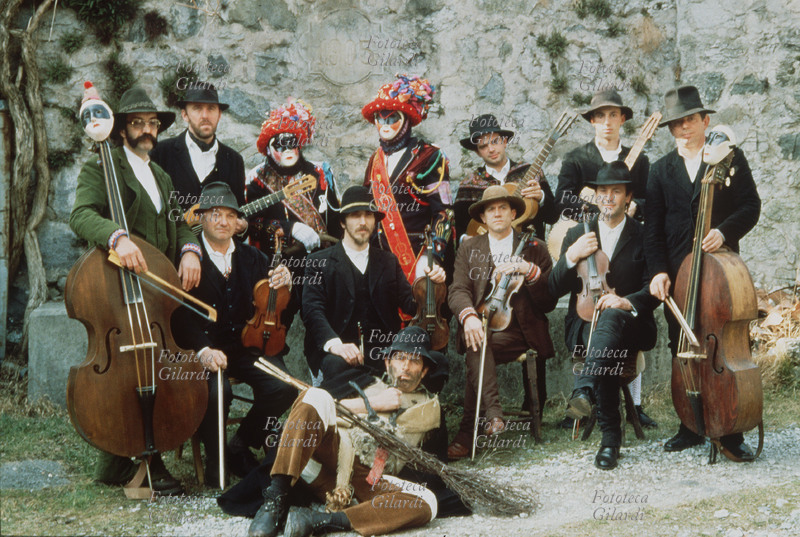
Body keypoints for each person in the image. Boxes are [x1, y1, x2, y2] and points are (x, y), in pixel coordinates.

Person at [69, 84, 202, 494]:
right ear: (121, 129)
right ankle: (147, 455)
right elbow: (81, 215)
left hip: (158, 288)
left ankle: (117, 458)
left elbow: (178, 221)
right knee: (131, 363)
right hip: (120, 285)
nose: (146, 130)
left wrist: (191, 249)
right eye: (137, 123)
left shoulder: (159, 172)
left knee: (153, 360)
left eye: (152, 123)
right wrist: (116, 238)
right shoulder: (101, 168)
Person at [645, 85, 760, 460]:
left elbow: (750, 206)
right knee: (683, 345)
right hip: (679, 277)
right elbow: (653, 229)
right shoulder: (660, 170)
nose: (683, 129)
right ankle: (691, 424)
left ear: (704, 121)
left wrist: (724, 231)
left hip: (719, 275)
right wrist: (658, 271)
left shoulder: (729, 157)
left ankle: (731, 427)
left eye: (690, 120)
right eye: (676, 124)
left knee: (725, 344)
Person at [247, 327, 449, 537]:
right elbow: (325, 409)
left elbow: (432, 471)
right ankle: (274, 503)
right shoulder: (367, 382)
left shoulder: (430, 411)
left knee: (428, 501)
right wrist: (374, 403)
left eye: (415, 361)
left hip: (372, 479)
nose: (406, 366)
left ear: (424, 370)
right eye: (400, 358)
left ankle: (321, 520)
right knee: (315, 395)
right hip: (334, 454)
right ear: (388, 362)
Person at [172, 182, 297, 485]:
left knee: (285, 387)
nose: (224, 222)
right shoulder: (189, 258)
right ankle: (217, 459)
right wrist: (203, 350)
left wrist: (286, 282)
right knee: (218, 391)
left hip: (245, 346)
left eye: (230, 215)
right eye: (215, 214)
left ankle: (240, 443)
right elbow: (179, 316)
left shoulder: (253, 258)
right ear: (201, 217)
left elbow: (274, 305)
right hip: (202, 348)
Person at [554, 89, 655, 429]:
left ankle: (605, 399)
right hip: (591, 250)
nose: (607, 121)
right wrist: (575, 246)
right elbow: (561, 200)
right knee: (589, 314)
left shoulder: (639, 160)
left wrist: (636, 205)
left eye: (613, 115)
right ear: (593, 120)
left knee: (620, 310)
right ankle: (592, 399)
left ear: (623, 119)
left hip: (628, 249)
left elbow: (650, 198)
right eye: (600, 115)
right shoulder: (576, 158)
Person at [548, 162, 659, 469]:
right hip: (584, 325)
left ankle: (584, 387)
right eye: (602, 191)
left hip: (633, 323)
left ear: (628, 197)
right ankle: (611, 438)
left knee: (610, 317)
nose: (608, 197)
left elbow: (656, 287)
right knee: (604, 345)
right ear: (595, 196)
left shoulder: (645, 234)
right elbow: (551, 290)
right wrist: (571, 257)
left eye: (616, 191)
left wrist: (626, 301)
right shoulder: (576, 234)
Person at [446, 186, 556, 460]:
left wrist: (530, 271)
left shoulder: (535, 247)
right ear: (483, 218)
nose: (497, 213)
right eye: (491, 209)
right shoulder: (469, 248)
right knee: (478, 340)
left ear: (514, 213)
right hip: (482, 325)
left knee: (477, 346)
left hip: (522, 331)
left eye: (503, 208)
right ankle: (493, 416)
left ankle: (468, 431)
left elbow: (548, 302)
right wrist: (468, 316)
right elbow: (457, 289)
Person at [301, 186, 445, 382]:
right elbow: (312, 310)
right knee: (335, 369)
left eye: (368, 215)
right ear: (342, 222)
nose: (363, 222)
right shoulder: (318, 261)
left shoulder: (388, 261)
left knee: (437, 363)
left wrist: (432, 285)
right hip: (339, 352)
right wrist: (336, 345)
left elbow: (411, 305)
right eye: (355, 215)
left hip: (384, 351)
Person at [247, 99, 341, 347]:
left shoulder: (320, 173)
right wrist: (290, 229)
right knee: (270, 337)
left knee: (327, 329)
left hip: (319, 265)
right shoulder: (257, 179)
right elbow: (250, 224)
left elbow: (335, 219)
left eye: (293, 142)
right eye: (280, 143)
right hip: (277, 269)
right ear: (268, 148)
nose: (288, 148)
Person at [361, 74, 453, 285]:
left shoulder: (430, 156)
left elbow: (445, 211)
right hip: (379, 255)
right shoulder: (374, 160)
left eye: (392, 118)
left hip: (418, 254)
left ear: (406, 120)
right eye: (379, 118)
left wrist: (434, 256)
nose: (384, 124)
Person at [150, 83, 248, 234]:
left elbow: (240, 210)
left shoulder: (234, 160)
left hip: (218, 253)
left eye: (211, 109)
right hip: (173, 253)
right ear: (185, 115)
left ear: (219, 114)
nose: (205, 115)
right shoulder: (160, 153)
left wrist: (243, 227)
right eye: (197, 108)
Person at [454, 113, 559, 241]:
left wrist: (541, 197)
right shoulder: (468, 184)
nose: (491, 149)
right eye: (483, 146)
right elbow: (458, 228)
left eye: (495, 142)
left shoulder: (531, 172)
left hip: (530, 252)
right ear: (477, 151)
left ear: (504, 142)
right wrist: (465, 239)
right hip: (486, 256)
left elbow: (553, 216)